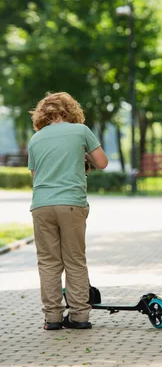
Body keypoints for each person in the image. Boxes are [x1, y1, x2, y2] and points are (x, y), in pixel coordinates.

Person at [28, 92, 108, 330]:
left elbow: (36, 177)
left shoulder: (36, 139)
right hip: (71, 203)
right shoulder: (81, 131)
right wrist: (83, 156)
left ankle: (52, 318)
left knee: (48, 262)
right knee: (74, 260)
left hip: (42, 205)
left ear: (43, 113)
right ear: (71, 110)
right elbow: (102, 162)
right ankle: (79, 316)